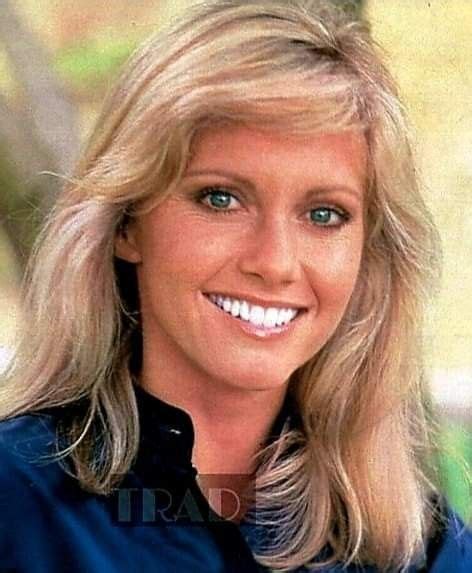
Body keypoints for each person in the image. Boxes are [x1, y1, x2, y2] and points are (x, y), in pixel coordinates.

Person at [0, 0, 471, 571]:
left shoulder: (422, 549)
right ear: (127, 223)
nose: (274, 262)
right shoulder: (17, 505)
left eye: (324, 214)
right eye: (220, 198)